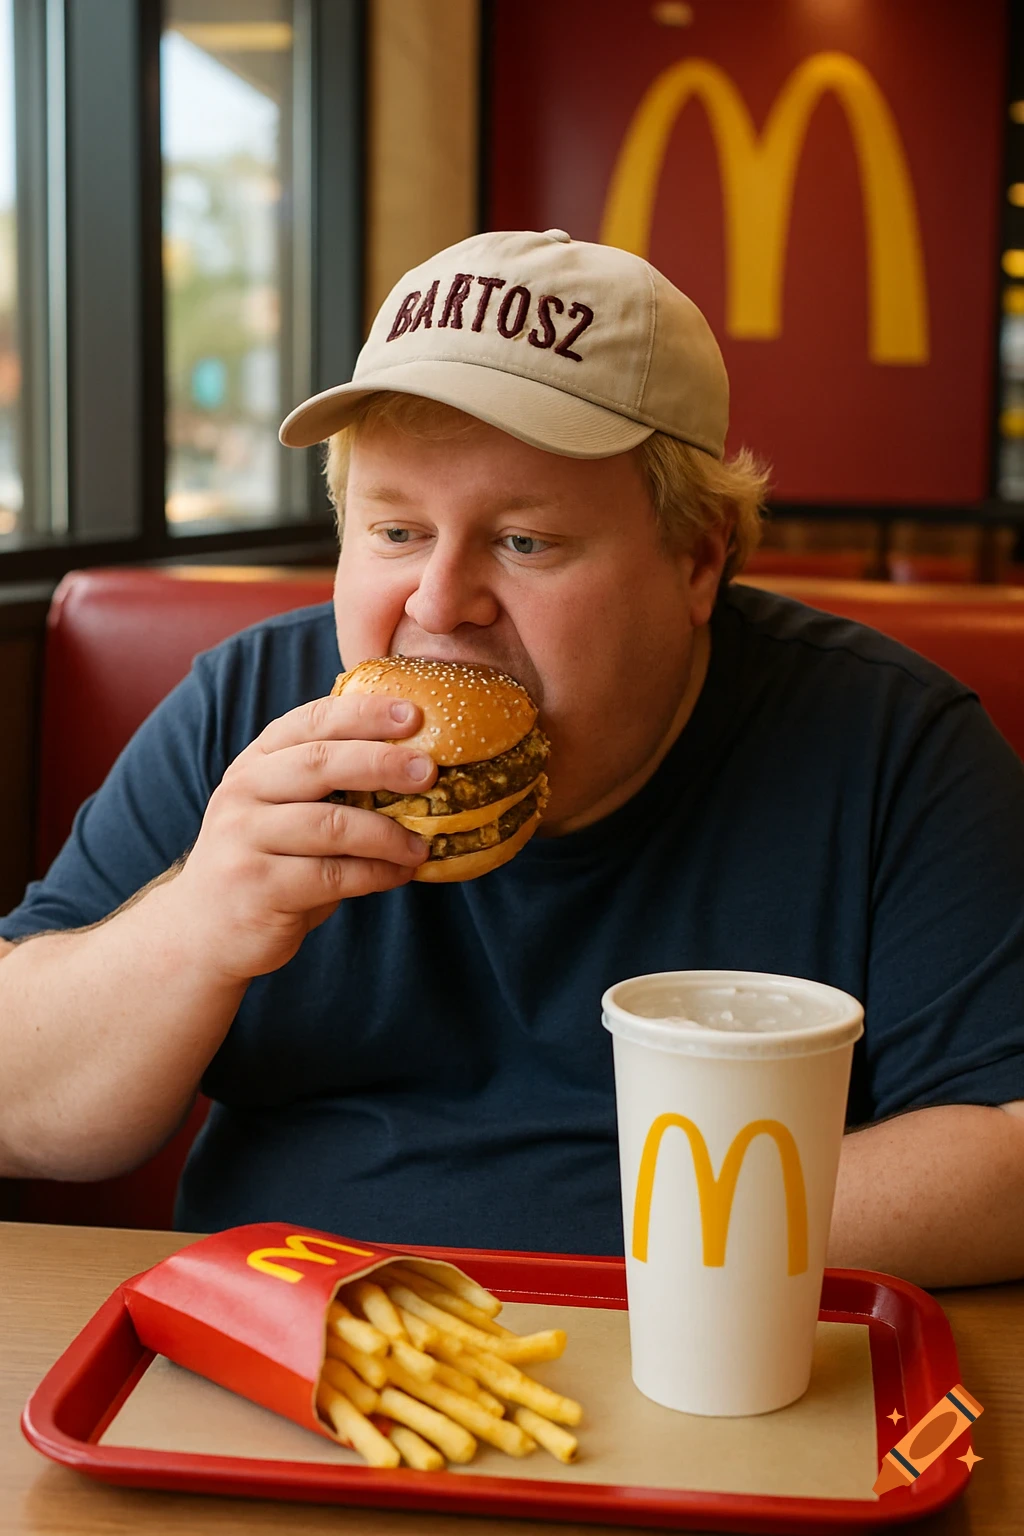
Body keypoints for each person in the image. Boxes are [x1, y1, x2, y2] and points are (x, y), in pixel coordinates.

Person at [1, 229, 1023, 1289]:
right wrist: (196, 923)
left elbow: (1009, 1146)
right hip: (268, 1361)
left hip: (707, 1386)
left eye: (524, 543)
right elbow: (17, 1109)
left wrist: (633, 1267)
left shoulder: (887, 744)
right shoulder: (248, 709)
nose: (440, 604)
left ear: (696, 560)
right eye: (395, 532)